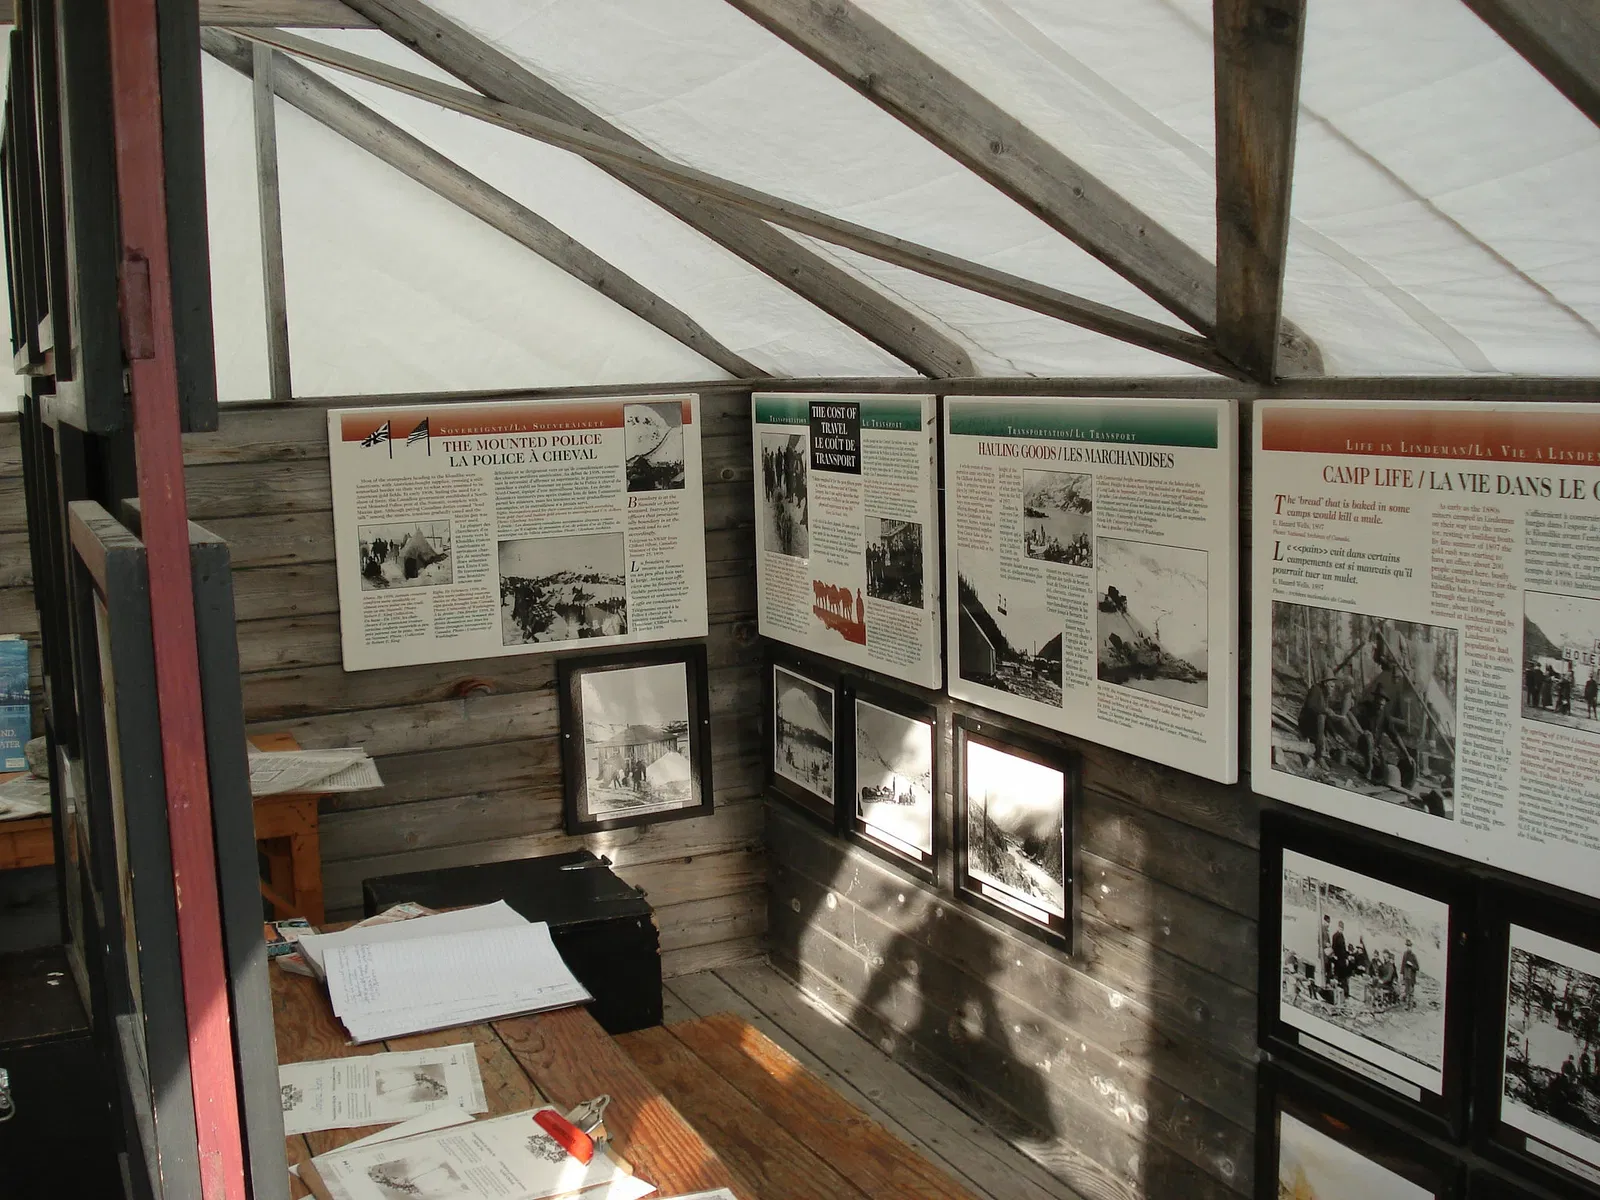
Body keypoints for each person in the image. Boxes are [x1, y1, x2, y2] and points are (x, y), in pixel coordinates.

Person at [1331, 921, 1350, 1002]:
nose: (1341, 929)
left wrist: (1346, 958)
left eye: (1342, 928)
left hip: (1342, 959)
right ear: (1338, 927)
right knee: (1337, 976)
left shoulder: (1342, 935)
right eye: (1340, 928)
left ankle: (1345, 994)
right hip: (1337, 959)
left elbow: (1343, 948)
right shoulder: (1335, 936)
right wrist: (1334, 956)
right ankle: (1337, 993)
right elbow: (1334, 947)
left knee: (1343, 977)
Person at [1401, 940, 1420, 1010]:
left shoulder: (1413, 956)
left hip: (1411, 977)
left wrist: (1412, 965)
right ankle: (1407, 1006)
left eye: (1409, 946)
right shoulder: (1405, 954)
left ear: (1411, 947)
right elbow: (1403, 965)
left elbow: (1417, 967)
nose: (1408, 947)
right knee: (1406, 991)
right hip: (1406, 977)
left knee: (1411, 992)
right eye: (1407, 946)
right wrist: (1402, 975)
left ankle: (1410, 1007)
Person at [1319, 915, 1333, 991]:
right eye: (1327, 922)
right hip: (1323, 953)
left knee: (1328, 968)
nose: (1328, 924)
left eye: (1329, 922)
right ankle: (1324, 985)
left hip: (1327, 953)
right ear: (1324, 921)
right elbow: (1319, 940)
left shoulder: (1327, 930)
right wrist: (1325, 944)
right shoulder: (1322, 929)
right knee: (1324, 968)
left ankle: (1327, 983)